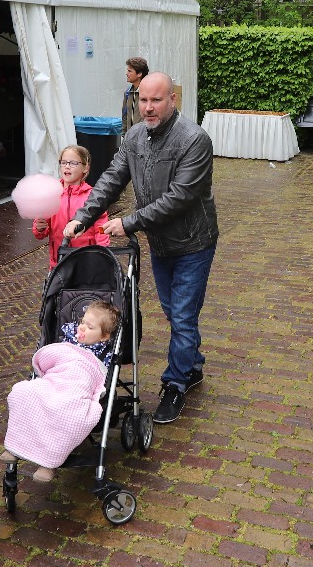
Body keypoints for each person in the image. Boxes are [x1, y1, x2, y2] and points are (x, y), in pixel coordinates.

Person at [64, 72, 217, 425]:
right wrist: (83, 217)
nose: (148, 107)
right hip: (160, 243)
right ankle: (192, 365)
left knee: (182, 316)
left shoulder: (194, 140)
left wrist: (129, 222)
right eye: (143, 100)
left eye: (156, 100)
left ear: (172, 100)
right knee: (174, 312)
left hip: (194, 242)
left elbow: (180, 197)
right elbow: (111, 179)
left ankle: (175, 384)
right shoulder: (134, 136)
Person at [1, 301, 119, 482]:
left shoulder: (103, 352)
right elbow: (52, 357)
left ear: (103, 337)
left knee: (67, 410)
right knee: (24, 392)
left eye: (90, 327)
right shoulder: (68, 339)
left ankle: (48, 463)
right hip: (54, 379)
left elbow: (100, 374)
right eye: (82, 322)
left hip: (77, 384)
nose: (82, 328)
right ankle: (15, 448)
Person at [32, 145, 111, 268]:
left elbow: (101, 228)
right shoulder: (51, 194)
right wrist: (39, 228)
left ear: (85, 168)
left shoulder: (93, 197)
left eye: (73, 163)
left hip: (86, 260)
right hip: (59, 261)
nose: (67, 166)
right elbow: (41, 232)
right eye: (63, 162)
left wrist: (102, 254)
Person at [122, 57, 149, 133]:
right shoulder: (128, 93)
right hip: (130, 137)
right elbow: (124, 116)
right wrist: (124, 134)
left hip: (144, 137)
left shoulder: (149, 93)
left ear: (139, 74)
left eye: (129, 71)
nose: (127, 74)